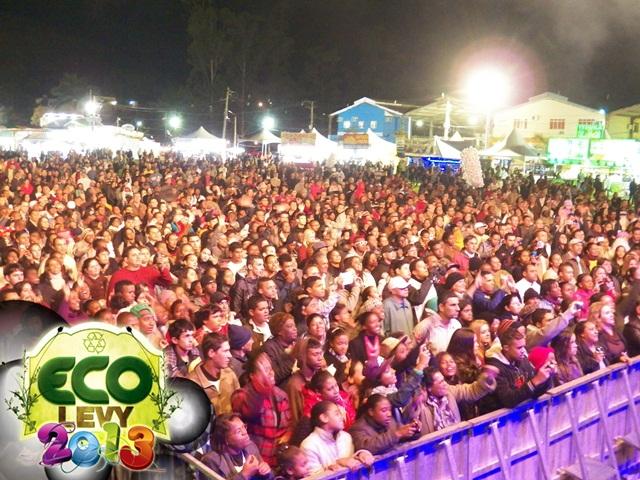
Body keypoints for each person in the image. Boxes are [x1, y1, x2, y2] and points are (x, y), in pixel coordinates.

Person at [232, 353, 292, 466]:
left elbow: (287, 426)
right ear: (252, 375)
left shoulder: (281, 395)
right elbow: (251, 412)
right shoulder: (241, 396)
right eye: (264, 370)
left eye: (270, 369)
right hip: (255, 461)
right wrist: (263, 388)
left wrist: (286, 437)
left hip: (277, 461)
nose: (270, 373)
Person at [481, 327, 555, 413]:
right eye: (519, 348)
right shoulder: (494, 369)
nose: (523, 351)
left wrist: (546, 378)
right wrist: (535, 381)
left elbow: (534, 393)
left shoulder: (523, 360)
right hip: (500, 419)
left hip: (522, 415)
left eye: (524, 346)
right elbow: (508, 400)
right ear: (506, 348)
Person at [301, 400, 374, 475]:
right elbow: (314, 477)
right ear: (324, 418)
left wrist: (361, 454)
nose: (342, 417)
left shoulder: (345, 437)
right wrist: (338, 463)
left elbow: (352, 462)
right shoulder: (309, 446)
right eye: (337, 414)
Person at [201, 414, 273, 480]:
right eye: (238, 431)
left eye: (244, 427)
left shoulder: (251, 447)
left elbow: (270, 477)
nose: (245, 432)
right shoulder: (211, 461)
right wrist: (244, 475)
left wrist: (266, 472)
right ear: (226, 439)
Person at [348, 394, 421, 455]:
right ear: (371, 412)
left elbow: (402, 432)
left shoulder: (390, 421)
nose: (389, 414)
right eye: (384, 410)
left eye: (390, 410)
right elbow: (367, 447)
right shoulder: (357, 428)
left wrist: (413, 429)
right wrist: (397, 434)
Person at [188, 332, 239, 415]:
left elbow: (238, 403)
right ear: (211, 353)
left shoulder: (229, 373)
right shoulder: (192, 384)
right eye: (225, 351)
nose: (230, 355)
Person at [259, 312, 297, 386]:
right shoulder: (269, 348)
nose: (295, 329)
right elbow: (274, 376)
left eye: (294, 325)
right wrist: (291, 357)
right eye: (290, 326)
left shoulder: (296, 343)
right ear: (279, 331)